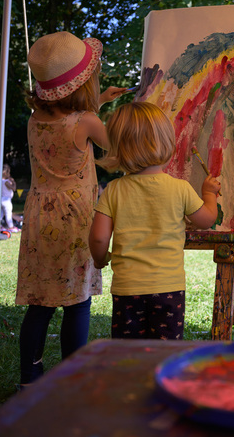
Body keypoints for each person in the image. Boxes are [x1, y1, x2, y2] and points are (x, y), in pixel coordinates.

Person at [16, 31, 127, 388]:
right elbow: (115, 151)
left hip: (39, 215)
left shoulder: (35, 117)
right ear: (82, 83)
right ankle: (72, 379)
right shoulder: (87, 122)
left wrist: (100, 103)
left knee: (41, 302)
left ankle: (29, 378)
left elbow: (69, 126)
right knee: (77, 302)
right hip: (75, 218)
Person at [89, 102, 221, 340]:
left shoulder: (113, 190)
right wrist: (209, 194)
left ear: (118, 148)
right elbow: (206, 220)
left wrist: (100, 260)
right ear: (166, 142)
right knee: (165, 351)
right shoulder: (180, 188)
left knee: (129, 352)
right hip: (168, 289)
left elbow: (99, 238)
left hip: (127, 289)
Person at [0, 164, 18, 231]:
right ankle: (11, 227)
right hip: (6, 200)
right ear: (5, 173)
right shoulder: (6, 182)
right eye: (9, 173)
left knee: (0, 214)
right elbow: (14, 188)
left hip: (1, 199)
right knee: (8, 213)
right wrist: (13, 182)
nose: (9, 174)